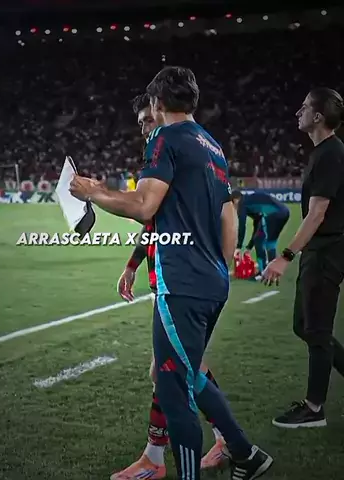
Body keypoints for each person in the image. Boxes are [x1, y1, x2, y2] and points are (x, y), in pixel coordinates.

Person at [70, 66, 272, 480]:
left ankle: (216, 458)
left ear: (158, 103)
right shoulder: (212, 145)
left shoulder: (166, 139)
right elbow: (226, 214)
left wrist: (94, 192)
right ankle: (240, 451)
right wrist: (219, 266)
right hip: (210, 280)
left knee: (174, 387)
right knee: (179, 373)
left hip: (182, 283)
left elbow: (144, 206)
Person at [111, 93, 226, 480]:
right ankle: (162, 455)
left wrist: (95, 192)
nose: (145, 128)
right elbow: (155, 223)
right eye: (141, 123)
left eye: (149, 119)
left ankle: (212, 446)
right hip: (186, 279)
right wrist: (132, 264)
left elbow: (223, 211)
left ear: (162, 112)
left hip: (186, 282)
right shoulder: (188, 151)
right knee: (170, 370)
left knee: (174, 372)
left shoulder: (175, 150)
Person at [262, 87, 344, 428]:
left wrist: (285, 255)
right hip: (318, 251)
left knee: (317, 330)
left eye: (305, 107)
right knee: (304, 325)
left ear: (318, 116)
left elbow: (317, 213)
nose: (299, 112)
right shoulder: (322, 152)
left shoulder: (331, 153)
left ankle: (314, 408)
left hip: (326, 252)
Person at [231, 190, 290, 278]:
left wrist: (239, 247)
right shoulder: (251, 202)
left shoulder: (242, 203)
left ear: (236, 200)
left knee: (259, 241)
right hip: (284, 212)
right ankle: (272, 272)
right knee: (270, 242)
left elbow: (242, 225)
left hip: (273, 214)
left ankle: (263, 273)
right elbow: (257, 225)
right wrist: (249, 247)